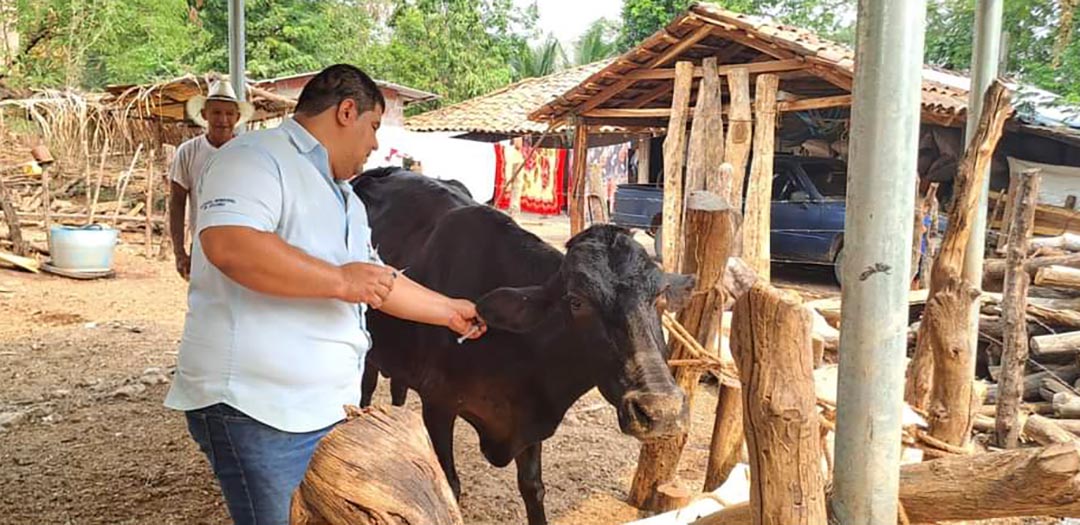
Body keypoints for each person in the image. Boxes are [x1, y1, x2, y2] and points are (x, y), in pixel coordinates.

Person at [163, 64, 486, 525]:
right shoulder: (254, 156)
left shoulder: (345, 197)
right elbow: (229, 243)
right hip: (258, 407)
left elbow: (376, 279)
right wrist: (340, 280)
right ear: (346, 111)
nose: (375, 144)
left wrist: (450, 311)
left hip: (316, 408)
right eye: (373, 126)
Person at [168, 80, 254, 280]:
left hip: (244, 248)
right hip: (202, 247)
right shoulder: (188, 152)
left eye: (229, 113)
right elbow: (177, 203)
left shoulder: (248, 153)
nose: (222, 120)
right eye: (216, 112)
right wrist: (179, 252)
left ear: (237, 117)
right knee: (204, 306)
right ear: (205, 114)